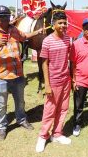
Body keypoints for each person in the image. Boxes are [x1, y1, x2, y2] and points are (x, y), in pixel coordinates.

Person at [0, 5, 43, 140]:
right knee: (1, 104)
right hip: (0, 76)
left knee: (20, 102)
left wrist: (37, 32)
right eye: (2, 17)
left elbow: (24, 36)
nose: (5, 19)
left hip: (18, 74)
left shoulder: (13, 30)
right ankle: (2, 127)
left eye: (7, 16)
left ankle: (21, 119)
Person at [36, 12, 71, 153]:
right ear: (54, 24)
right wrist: (47, 84)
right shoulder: (47, 41)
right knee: (50, 110)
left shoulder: (68, 38)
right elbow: (44, 63)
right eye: (60, 23)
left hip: (66, 79)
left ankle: (57, 134)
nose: (63, 25)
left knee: (63, 109)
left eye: (64, 23)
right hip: (53, 80)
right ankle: (43, 136)